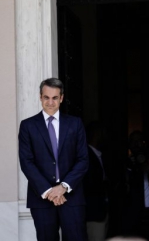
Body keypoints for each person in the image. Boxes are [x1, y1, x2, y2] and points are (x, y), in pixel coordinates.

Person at [18, 78, 89, 241]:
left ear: (61, 98)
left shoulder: (75, 124)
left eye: (55, 98)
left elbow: (83, 159)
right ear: (40, 97)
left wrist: (63, 187)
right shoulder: (27, 126)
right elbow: (26, 162)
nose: (50, 102)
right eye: (46, 97)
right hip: (41, 199)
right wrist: (49, 191)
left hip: (71, 197)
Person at [84, 121, 110, 241]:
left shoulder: (100, 155)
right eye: (103, 133)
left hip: (101, 211)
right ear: (97, 134)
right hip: (93, 213)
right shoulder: (86, 156)